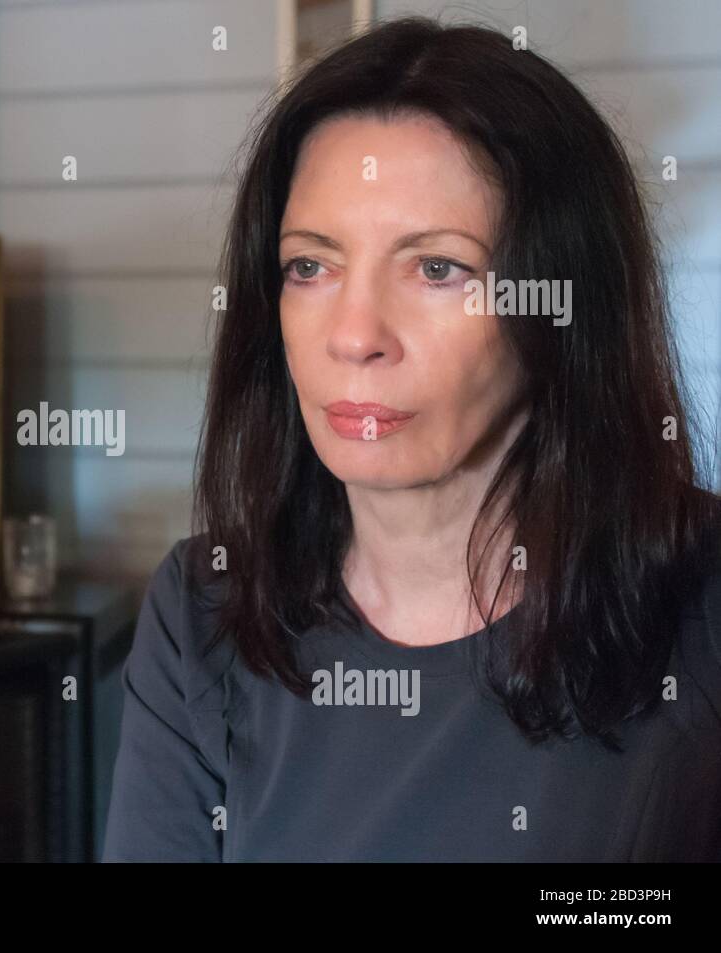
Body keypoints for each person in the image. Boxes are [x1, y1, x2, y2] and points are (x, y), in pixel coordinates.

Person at [101, 17, 721, 862]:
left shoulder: (702, 599)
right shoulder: (203, 609)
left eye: (438, 269)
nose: (355, 336)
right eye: (310, 266)